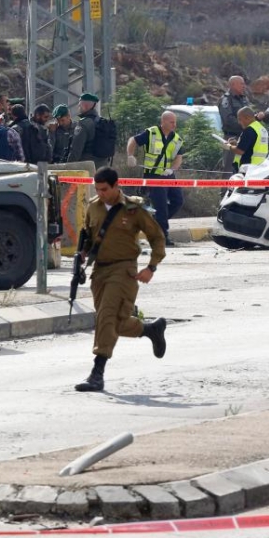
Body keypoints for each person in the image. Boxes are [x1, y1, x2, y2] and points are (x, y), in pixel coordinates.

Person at [74, 167, 168, 392]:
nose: (101, 193)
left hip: (124, 270)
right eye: (97, 189)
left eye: (105, 189)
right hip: (100, 271)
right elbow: (88, 237)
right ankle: (149, 330)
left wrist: (151, 267)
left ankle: (97, 373)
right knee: (112, 322)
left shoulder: (133, 209)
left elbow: (157, 237)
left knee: (106, 317)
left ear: (116, 186)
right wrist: (83, 254)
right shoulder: (93, 207)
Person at [126, 110, 184, 246]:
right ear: (163, 122)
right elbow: (133, 141)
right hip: (153, 175)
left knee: (178, 201)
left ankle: (154, 221)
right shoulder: (151, 133)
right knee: (161, 205)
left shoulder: (176, 139)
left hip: (168, 175)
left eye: (175, 122)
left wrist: (172, 169)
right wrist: (130, 155)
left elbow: (178, 158)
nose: (175, 125)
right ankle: (162, 236)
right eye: (172, 122)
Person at [217, 76, 252, 171]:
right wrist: (246, 123)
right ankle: (226, 186)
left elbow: (250, 114)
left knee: (243, 167)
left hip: (244, 137)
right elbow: (228, 119)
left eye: (244, 83)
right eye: (241, 83)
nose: (244, 86)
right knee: (229, 168)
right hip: (232, 138)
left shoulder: (244, 99)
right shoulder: (226, 99)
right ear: (232, 85)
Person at [67, 93, 109, 169]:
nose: (78, 107)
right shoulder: (104, 122)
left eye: (79, 105)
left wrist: (68, 167)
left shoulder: (83, 123)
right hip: (103, 168)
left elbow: (76, 151)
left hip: (87, 169)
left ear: (85, 106)